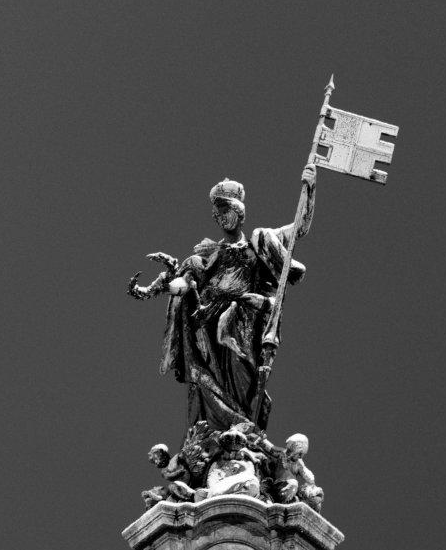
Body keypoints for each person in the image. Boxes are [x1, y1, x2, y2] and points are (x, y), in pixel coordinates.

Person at [130, 166, 317, 433]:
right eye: (217, 215)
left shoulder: (260, 242)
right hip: (207, 325)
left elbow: (300, 227)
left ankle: (242, 429)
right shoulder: (208, 255)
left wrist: (309, 189)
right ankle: (219, 434)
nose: (221, 219)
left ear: (239, 212)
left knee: (244, 380)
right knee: (208, 382)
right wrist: (157, 289)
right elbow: (188, 281)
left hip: (243, 323)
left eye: (226, 212)